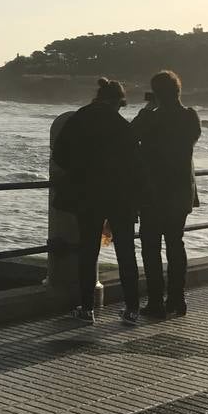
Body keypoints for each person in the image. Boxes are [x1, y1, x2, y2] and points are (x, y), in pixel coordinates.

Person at [53, 77, 144, 325]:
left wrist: (79, 170)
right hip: (121, 197)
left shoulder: (80, 118)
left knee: (88, 251)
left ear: (98, 97)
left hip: (88, 194)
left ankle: (87, 308)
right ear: (118, 102)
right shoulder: (123, 126)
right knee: (126, 252)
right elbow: (136, 165)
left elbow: (59, 153)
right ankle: (132, 309)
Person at [132, 70, 201, 319]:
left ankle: (155, 302)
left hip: (153, 192)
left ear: (157, 94)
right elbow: (190, 139)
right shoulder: (190, 117)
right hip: (181, 192)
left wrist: (146, 111)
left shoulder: (151, 118)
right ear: (178, 91)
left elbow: (129, 136)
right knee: (175, 244)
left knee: (151, 247)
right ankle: (177, 298)